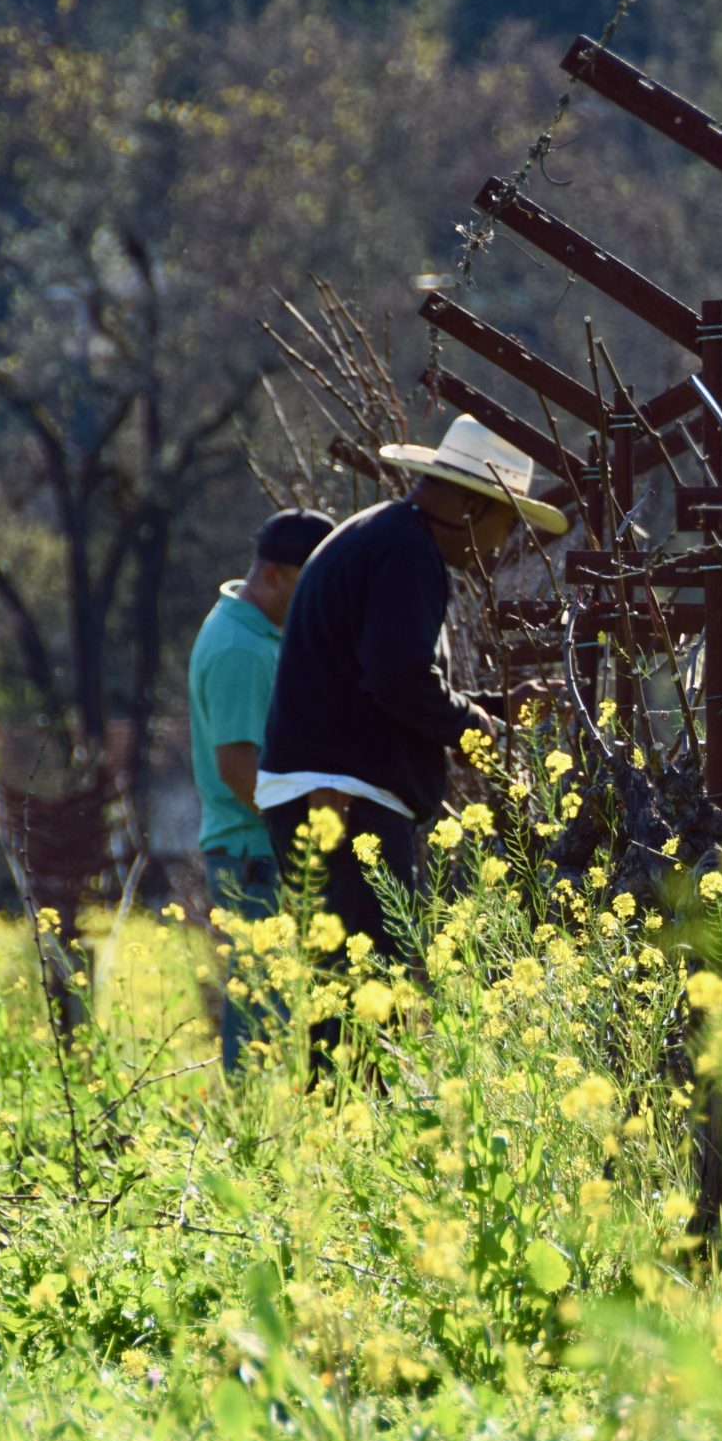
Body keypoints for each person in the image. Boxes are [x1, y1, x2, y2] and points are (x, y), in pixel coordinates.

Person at [255, 414, 568, 1070]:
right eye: (505, 522)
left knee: (351, 999)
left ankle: (340, 1123)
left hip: (330, 790)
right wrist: (470, 726)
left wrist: (493, 710)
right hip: (343, 797)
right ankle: (345, 1127)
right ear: (473, 508)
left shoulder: (387, 535)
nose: (502, 542)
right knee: (364, 1006)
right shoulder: (408, 553)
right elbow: (398, 679)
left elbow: (384, 683)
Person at [188, 507, 335, 1072]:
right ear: (273, 575)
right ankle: (248, 1120)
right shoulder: (239, 649)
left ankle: (261, 1116)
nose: (317, 601)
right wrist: (304, 833)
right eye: (308, 585)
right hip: (254, 854)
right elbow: (236, 766)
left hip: (257, 851)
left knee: (268, 1004)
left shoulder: (253, 632)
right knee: (260, 1009)